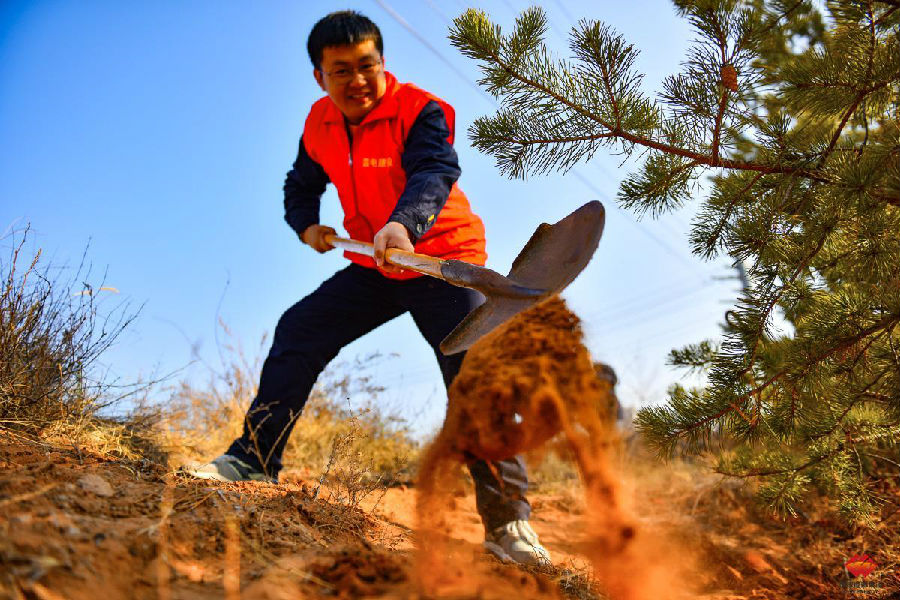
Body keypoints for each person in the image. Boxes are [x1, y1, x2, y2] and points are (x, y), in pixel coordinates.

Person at [184, 11, 549, 566]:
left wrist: (404, 222)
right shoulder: (319, 124)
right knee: (299, 328)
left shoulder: (420, 110)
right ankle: (254, 459)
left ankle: (510, 527)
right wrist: (306, 223)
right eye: (341, 71)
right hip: (376, 265)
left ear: (383, 63)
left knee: (475, 375)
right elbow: (299, 183)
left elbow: (434, 171)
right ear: (319, 77)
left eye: (366, 66)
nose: (356, 80)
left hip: (440, 260)